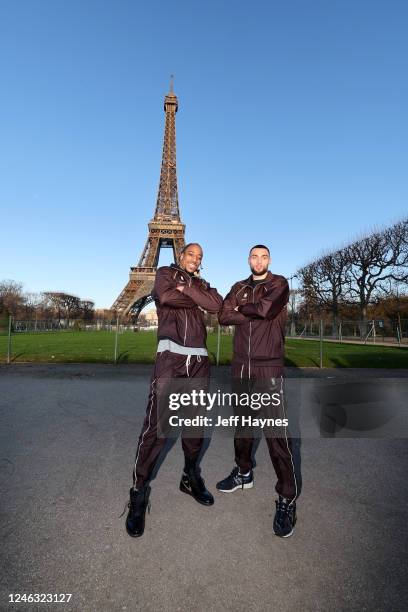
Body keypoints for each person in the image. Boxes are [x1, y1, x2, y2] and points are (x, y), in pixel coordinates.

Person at [125, 243, 223, 537]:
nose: (194, 259)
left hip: (199, 360)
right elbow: (165, 296)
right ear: (181, 256)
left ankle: (189, 476)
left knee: (194, 424)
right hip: (170, 358)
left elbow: (216, 305)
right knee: (157, 426)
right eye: (191, 254)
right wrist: (195, 297)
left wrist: (188, 291)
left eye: (199, 257)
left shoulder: (202, 283)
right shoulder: (165, 272)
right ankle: (139, 491)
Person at [217, 245, 298, 537]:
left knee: (276, 432)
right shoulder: (238, 286)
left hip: (268, 366)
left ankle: (287, 495)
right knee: (242, 427)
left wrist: (242, 309)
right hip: (241, 365)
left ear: (270, 260)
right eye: (254, 256)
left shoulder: (279, 283)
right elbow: (223, 316)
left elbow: (266, 310)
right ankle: (243, 471)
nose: (258, 261)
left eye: (263, 257)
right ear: (248, 259)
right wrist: (246, 310)